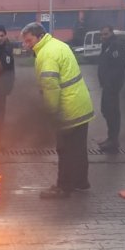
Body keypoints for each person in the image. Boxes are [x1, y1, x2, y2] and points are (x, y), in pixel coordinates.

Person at [19, 22, 95, 199]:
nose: (26, 44)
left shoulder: (46, 54)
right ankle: (81, 182)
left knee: (65, 149)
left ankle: (63, 187)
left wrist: (50, 113)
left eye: (29, 40)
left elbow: (51, 87)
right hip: (81, 104)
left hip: (67, 109)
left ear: (39, 37)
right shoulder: (58, 45)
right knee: (78, 148)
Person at [96, 25, 125, 153]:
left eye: (106, 34)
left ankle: (113, 141)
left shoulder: (116, 45)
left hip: (112, 86)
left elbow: (118, 67)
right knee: (106, 110)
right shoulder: (107, 46)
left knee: (112, 112)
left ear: (111, 33)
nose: (103, 37)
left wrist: (111, 83)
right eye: (102, 34)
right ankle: (111, 138)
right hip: (107, 85)